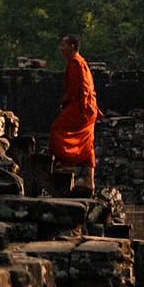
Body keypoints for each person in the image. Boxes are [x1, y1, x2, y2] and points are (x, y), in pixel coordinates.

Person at [49, 32, 98, 192]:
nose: (61, 48)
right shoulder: (77, 63)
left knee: (58, 129)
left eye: (63, 45)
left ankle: (66, 164)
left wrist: (67, 103)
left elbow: (82, 88)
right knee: (87, 143)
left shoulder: (77, 63)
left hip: (83, 107)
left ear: (72, 47)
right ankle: (89, 181)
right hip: (86, 108)